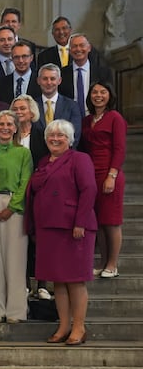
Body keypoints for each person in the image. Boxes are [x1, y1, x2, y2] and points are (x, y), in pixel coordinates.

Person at [26, 120, 97, 345]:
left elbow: (89, 190)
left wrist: (81, 222)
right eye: (51, 135)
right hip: (48, 228)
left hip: (74, 228)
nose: (55, 139)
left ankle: (79, 327)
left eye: (61, 135)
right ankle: (64, 326)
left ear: (70, 139)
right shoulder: (43, 161)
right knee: (57, 281)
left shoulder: (79, 159)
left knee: (75, 280)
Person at [0, 110, 33, 324]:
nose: (5, 127)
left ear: (15, 128)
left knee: (15, 260)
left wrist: (12, 207)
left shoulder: (23, 153)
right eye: (1, 124)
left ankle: (16, 310)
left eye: (9, 124)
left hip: (15, 207)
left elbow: (26, 182)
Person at [81, 81, 126, 278]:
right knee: (98, 221)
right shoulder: (88, 119)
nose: (98, 95)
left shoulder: (115, 118)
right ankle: (102, 262)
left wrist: (112, 175)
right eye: (94, 92)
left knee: (112, 221)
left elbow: (119, 149)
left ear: (110, 95)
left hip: (109, 174)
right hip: (91, 174)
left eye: (103, 92)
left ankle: (113, 264)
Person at [10, 94, 51, 300]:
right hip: (15, 193)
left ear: (32, 112)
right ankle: (24, 283)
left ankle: (42, 284)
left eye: (22, 109)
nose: (19, 113)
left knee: (40, 240)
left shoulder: (41, 133)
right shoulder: (10, 134)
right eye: (15, 109)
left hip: (38, 192)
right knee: (20, 240)